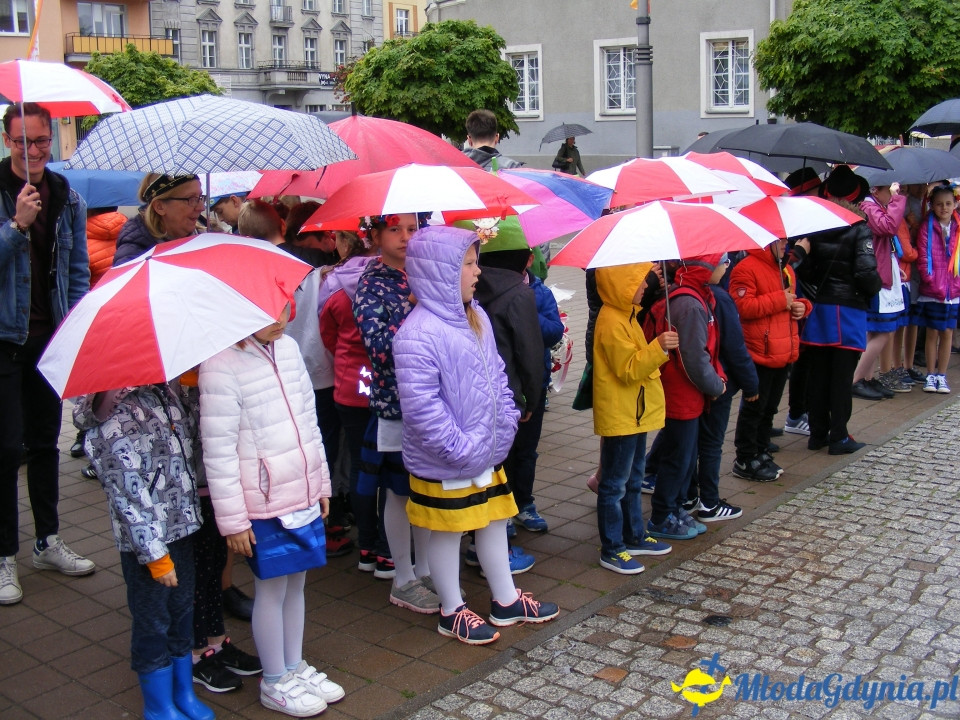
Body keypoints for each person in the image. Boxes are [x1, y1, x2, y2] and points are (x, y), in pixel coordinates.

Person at [394, 224, 559, 644]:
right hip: (448, 456)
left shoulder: (477, 316)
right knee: (448, 530)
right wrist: (460, 446)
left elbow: (497, 374)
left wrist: (503, 422)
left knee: (492, 519)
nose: (477, 273)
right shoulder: (417, 333)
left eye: (476, 263)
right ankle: (452, 609)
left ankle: (505, 599)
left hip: (483, 449)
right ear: (439, 273)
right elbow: (421, 408)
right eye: (468, 264)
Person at [199, 303, 345, 717]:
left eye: (284, 309)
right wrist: (232, 520)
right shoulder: (220, 364)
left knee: (297, 583)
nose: (281, 320)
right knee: (272, 588)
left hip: (300, 489)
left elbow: (309, 422)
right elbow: (219, 448)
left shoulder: (289, 348)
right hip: (261, 501)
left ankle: (294, 665)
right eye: (269, 312)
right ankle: (275, 679)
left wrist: (320, 482)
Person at [72, 380, 215, 720]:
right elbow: (126, 493)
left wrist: (192, 396)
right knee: (153, 621)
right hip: (147, 542)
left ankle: (182, 691)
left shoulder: (165, 392)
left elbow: (189, 442)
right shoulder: (111, 411)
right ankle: (158, 704)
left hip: (182, 525)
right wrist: (153, 554)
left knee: (182, 612)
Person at [0, 102, 94, 607]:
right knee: (5, 448)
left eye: (41, 142)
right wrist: (16, 226)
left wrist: (76, 327)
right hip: (4, 337)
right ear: (7, 139)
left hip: (47, 335)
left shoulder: (67, 198)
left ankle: (47, 540)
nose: (34, 152)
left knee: (44, 444)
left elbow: (76, 268)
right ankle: (3, 555)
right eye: (23, 142)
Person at [238, 198, 353, 558]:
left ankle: (304, 515)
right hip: (321, 369)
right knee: (323, 444)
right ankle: (327, 518)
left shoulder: (258, 266)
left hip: (283, 365)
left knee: (294, 443)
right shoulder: (326, 270)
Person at [353, 213, 440, 613]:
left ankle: (425, 568)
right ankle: (403, 575)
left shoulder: (423, 273)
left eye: (412, 228)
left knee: (425, 487)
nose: (406, 237)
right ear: (375, 235)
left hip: (433, 401)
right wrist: (414, 309)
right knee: (399, 490)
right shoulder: (371, 285)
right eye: (394, 229)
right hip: (397, 404)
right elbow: (381, 349)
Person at [592, 261, 677, 574]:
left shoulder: (626, 316)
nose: (644, 287)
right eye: (640, 282)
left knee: (630, 480)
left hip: (634, 414)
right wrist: (658, 348)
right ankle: (612, 547)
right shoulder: (612, 321)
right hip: (623, 415)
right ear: (623, 284)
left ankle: (634, 535)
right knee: (614, 485)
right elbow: (629, 369)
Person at [320, 230, 392, 575]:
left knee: (361, 468)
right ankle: (387, 547)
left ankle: (365, 545)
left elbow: (328, 336)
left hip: (349, 387)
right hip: (388, 388)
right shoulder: (389, 284)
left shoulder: (333, 287)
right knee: (390, 470)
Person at [472, 218, 547, 540]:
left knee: (487, 464)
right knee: (516, 456)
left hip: (477, 393)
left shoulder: (469, 286)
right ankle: (501, 527)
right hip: (513, 394)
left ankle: (487, 527)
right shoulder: (519, 293)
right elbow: (529, 352)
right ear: (523, 258)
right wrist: (532, 396)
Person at [643, 255, 727, 540]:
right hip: (682, 392)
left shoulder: (691, 297)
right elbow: (693, 358)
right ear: (705, 268)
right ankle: (662, 515)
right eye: (722, 261)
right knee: (678, 458)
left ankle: (674, 507)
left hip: (685, 391)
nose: (726, 266)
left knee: (685, 455)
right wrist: (716, 385)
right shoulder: (689, 304)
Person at [798, 168, 881, 455]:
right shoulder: (859, 227)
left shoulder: (815, 225)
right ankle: (839, 436)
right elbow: (867, 273)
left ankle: (817, 433)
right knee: (842, 378)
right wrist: (873, 289)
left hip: (820, 309)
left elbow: (806, 270)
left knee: (819, 375)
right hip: (848, 311)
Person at [730, 238, 811, 482]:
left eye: (787, 240)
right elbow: (743, 306)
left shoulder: (783, 268)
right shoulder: (746, 267)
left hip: (782, 349)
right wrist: (781, 301)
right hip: (760, 351)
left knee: (770, 408)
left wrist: (802, 307)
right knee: (754, 408)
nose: (786, 244)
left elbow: (792, 300)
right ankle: (745, 457)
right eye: (780, 240)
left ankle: (761, 451)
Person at [684, 255, 758, 518]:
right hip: (718, 382)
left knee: (692, 443)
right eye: (724, 261)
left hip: (695, 383)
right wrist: (751, 384)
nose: (727, 266)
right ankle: (710, 502)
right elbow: (735, 347)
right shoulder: (718, 297)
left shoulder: (684, 293)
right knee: (712, 443)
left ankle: (689, 496)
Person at [852, 182, 908, 399]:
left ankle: (866, 377)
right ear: (876, 190)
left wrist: (895, 268)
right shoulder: (868, 207)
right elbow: (888, 227)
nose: (892, 195)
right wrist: (895, 199)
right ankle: (855, 379)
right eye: (889, 191)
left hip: (883, 272)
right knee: (883, 330)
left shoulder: (874, 206)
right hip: (875, 277)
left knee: (877, 331)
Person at [915, 184, 960, 394]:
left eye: (948, 204)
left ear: (955, 204)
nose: (944, 208)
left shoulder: (958, 228)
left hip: (954, 289)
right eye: (940, 204)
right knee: (932, 331)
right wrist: (930, 281)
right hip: (932, 289)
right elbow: (923, 257)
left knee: (948, 331)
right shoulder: (927, 227)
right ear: (932, 205)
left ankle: (942, 374)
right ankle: (930, 373)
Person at [113, 173, 203, 265]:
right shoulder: (133, 256)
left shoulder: (205, 236)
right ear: (160, 207)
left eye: (200, 197)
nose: (201, 207)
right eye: (191, 199)